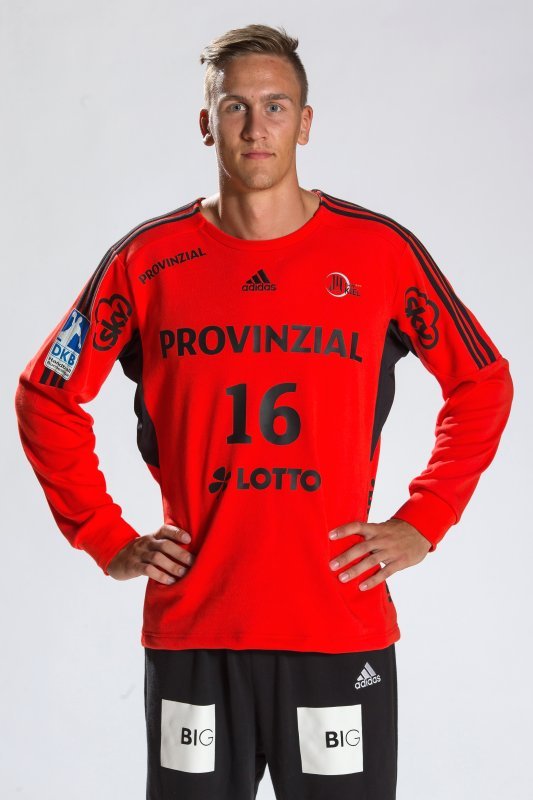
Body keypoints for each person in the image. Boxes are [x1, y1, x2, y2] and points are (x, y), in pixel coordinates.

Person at [15, 22, 514, 800]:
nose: (256, 127)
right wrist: (103, 536)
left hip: (336, 627)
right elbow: (47, 392)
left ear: (304, 123)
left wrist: (425, 518)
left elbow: (481, 381)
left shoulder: (378, 254)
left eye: (275, 106)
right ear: (206, 122)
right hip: (195, 632)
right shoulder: (147, 262)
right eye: (235, 106)